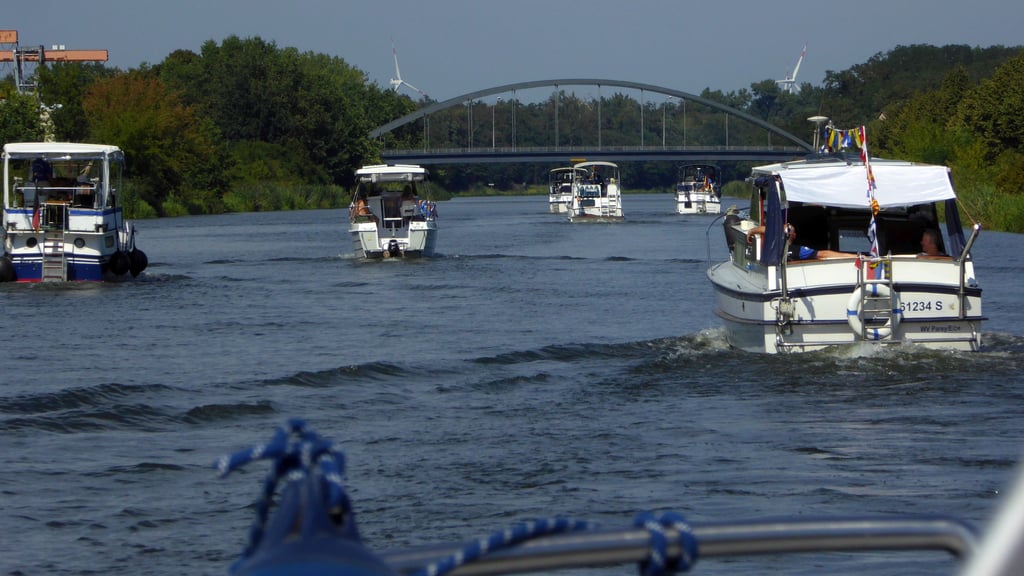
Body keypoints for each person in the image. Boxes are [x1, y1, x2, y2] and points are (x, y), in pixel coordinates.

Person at [746, 223, 853, 260]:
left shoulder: (773, 244)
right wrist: (854, 257)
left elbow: (766, 229)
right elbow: (823, 254)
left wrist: (751, 231)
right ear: (794, 236)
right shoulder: (798, 251)